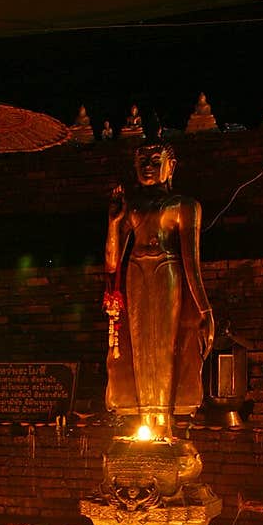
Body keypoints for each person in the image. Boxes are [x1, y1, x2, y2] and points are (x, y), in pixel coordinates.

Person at [103, 142, 214, 433]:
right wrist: (113, 223)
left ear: (171, 167)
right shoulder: (131, 207)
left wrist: (205, 309)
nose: (149, 166)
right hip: (136, 273)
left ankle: (163, 422)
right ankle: (143, 420)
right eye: (143, 161)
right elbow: (112, 262)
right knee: (138, 345)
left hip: (168, 271)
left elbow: (192, 262)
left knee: (166, 346)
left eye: (155, 160)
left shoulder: (184, 206)